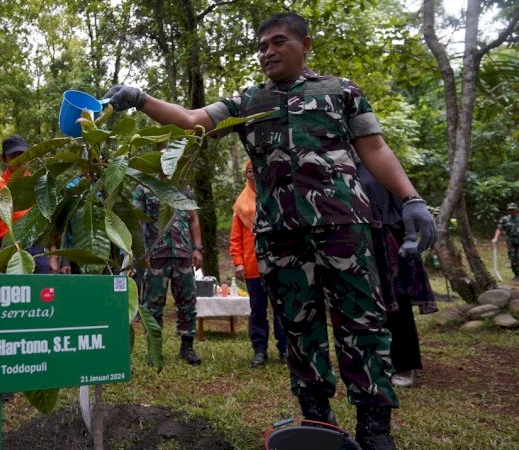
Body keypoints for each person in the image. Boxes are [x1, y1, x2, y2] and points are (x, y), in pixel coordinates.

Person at [104, 12, 437, 449]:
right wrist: (140, 98)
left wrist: (411, 200)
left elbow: (374, 148)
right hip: (280, 236)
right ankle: (318, 424)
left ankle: (375, 430)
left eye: (277, 42)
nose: (267, 52)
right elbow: (190, 120)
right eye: (261, 46)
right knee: (299, 332)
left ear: (305, 44)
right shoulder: (248, 101)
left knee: (364, 327)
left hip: (345, 230)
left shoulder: (340, 92)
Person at [358, 163, 437, 389]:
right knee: (363, 304)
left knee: (397, 304)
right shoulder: (338, 163)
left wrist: (410, 237)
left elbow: (404, 201)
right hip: (356, 240)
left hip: (388, 239)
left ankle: (404, 365)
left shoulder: (380, 165)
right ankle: (373, 360)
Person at [133, 183, 203, 365]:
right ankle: (154, 350)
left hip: (183, 254)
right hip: (156, 255)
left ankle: (187, 347)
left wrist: (197, 248)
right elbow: (136, 220)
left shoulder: (184, 187)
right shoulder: (145, 187)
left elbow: (193, 218)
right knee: (153, 305)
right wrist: (140, 250)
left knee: (187, 302)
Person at [230, 161, 286, 368]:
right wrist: (238, 263)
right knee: (257, 310)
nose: (253, 174)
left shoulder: (274, 197)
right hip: (253, 266)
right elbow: (235, 239)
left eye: (256, 170)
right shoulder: (241, 204)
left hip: (276, 263)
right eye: (249, 171)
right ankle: (260, 351)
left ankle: (285, 349)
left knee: (280, 309)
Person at [0, 135, 55, 273]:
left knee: (40, 292)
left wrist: (53, 256)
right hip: (8, 247)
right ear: (5, 159)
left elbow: (48, 221)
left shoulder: (39, 183)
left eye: (23, 155)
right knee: (11, 292)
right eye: (14, 156)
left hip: (37, 248)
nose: (20, 160)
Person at [492, 202, 519, 282]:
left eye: (513, 209)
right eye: (510, 210)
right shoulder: (505, 219)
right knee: (513, 258)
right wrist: (495, 238)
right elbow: (499, 229)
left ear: (517, 209)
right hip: (511, 241)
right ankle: (517, 275)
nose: (512, 211)